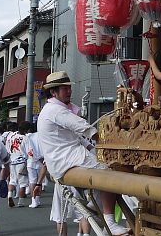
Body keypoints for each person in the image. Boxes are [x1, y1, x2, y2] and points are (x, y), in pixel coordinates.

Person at [37, 71, 128, 236]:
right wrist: (109, 141)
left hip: (63, 160)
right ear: (53, 92)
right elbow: (84, 128)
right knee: (110, 172)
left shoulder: (52, 109)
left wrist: (96, 148)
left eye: (69, 88)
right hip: (67, 159)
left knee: (104, 167)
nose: (69, 91)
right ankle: (109, 221)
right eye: (64, 88)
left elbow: (79, 137)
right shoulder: (56, 110)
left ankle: (97, 210)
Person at [6, 120, 30, 207]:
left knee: (12, 181)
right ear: (26, 130)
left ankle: (9, 196)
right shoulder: (25, 138)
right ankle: (21, 202)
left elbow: (7, 148)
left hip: (12, 160)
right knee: (22, 183)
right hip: (22, 162)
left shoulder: (12, 136)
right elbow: (29, 151)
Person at [22, 123, 45, 208]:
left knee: (32, 181)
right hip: (41, 160)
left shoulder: (26, 137)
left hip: (30, 160)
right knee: (39, 181)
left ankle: (33, 200)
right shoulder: (41, 135)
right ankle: (38, 200)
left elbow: (24, 150)